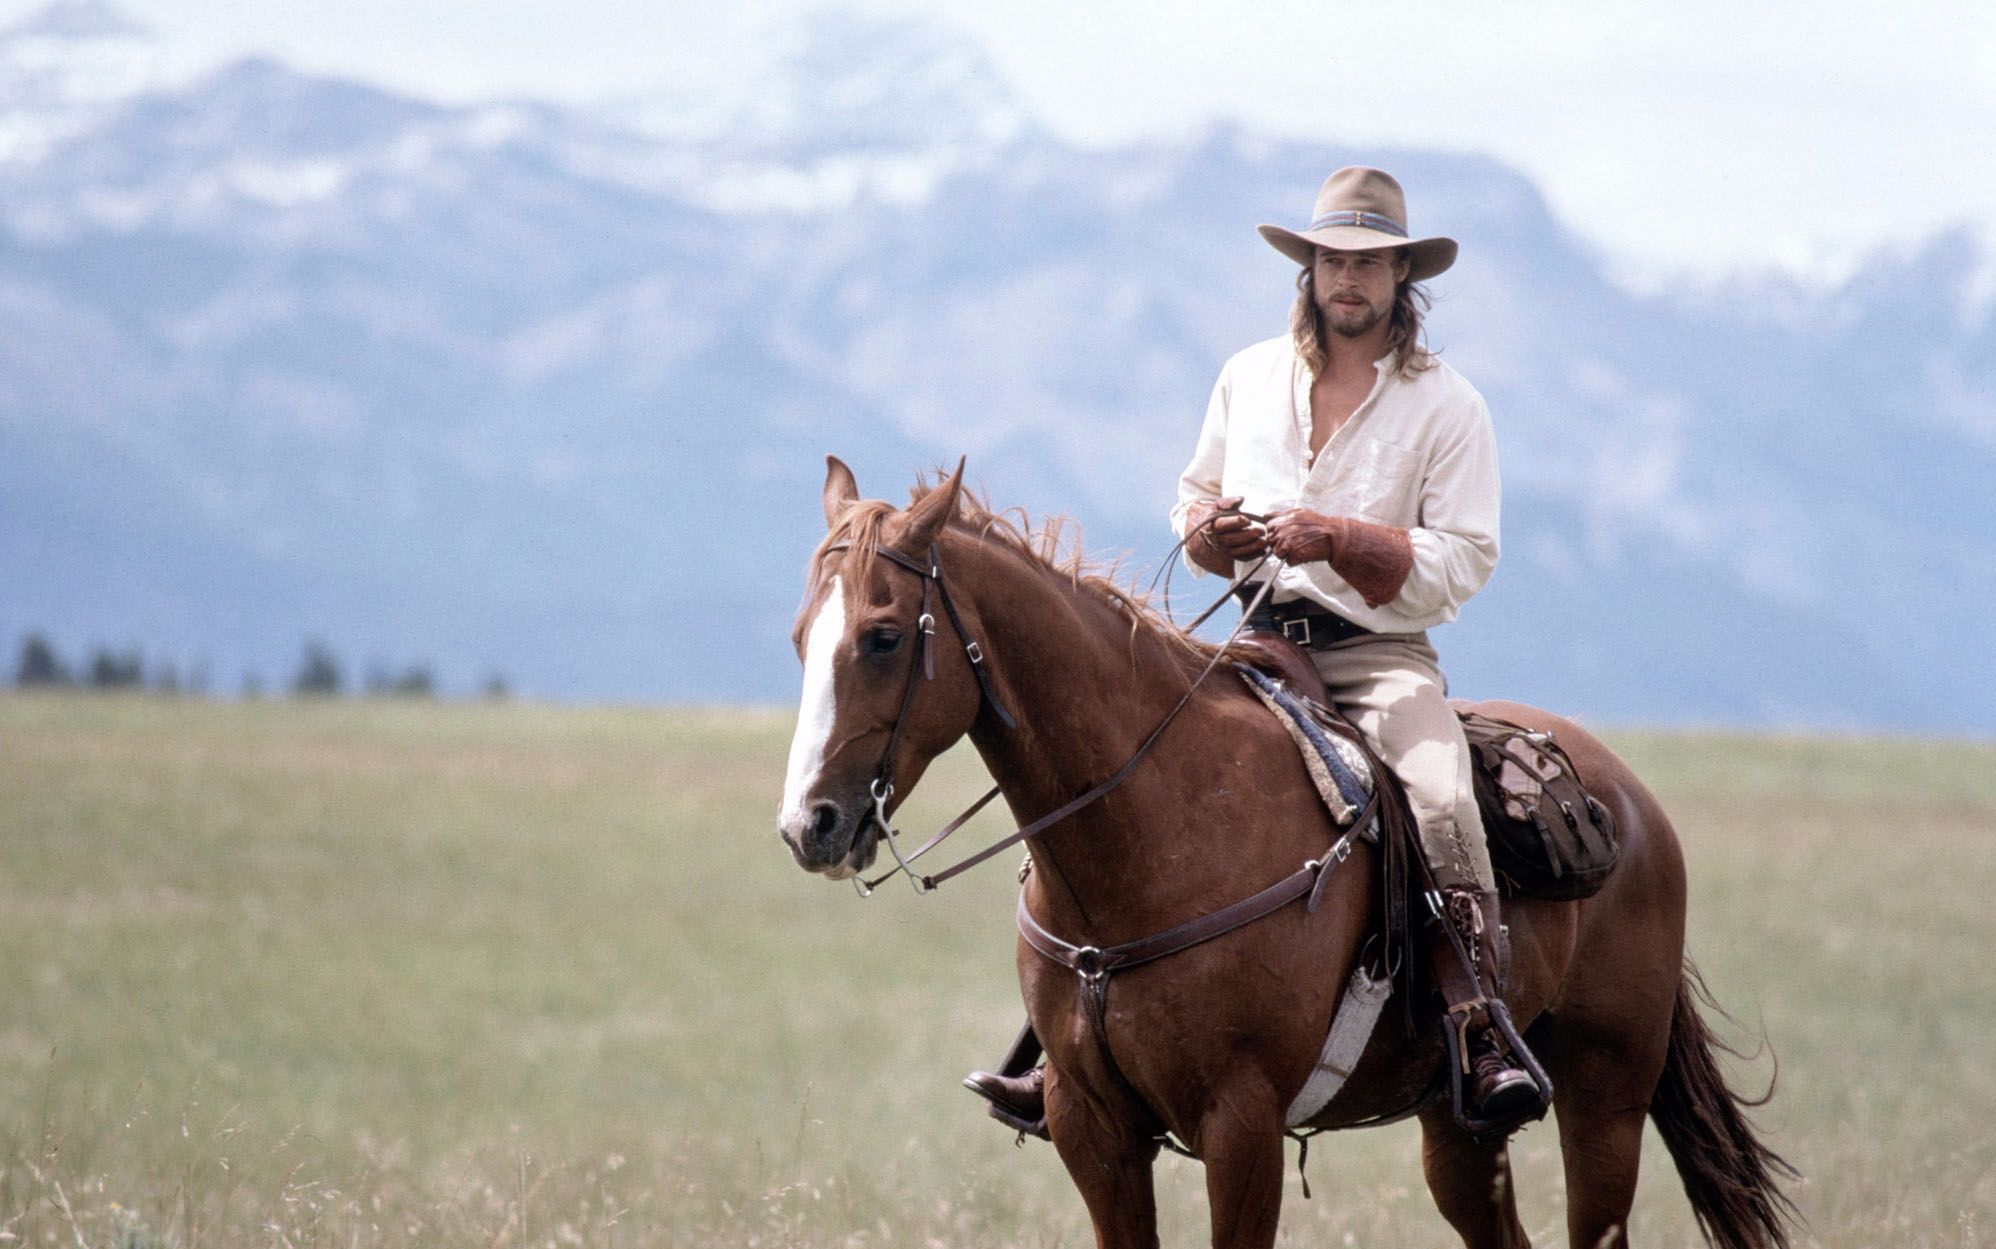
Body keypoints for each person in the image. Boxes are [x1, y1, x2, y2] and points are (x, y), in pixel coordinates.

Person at [965, 166, 1539, 1136]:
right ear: (1307, 267)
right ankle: (1059, 1039)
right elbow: (1191, 497)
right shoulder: (1247, 375)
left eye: (1366, 261)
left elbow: (1465, 559)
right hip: (1253, 639)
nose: (1344, 276)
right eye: (1328, 258)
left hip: (1380, 655)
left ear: (1403, 272)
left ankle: (1476, 1025)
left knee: (1439, 793)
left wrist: (1345, 540)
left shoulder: (1449, 406)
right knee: (1122, 776)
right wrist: (1211, 536)